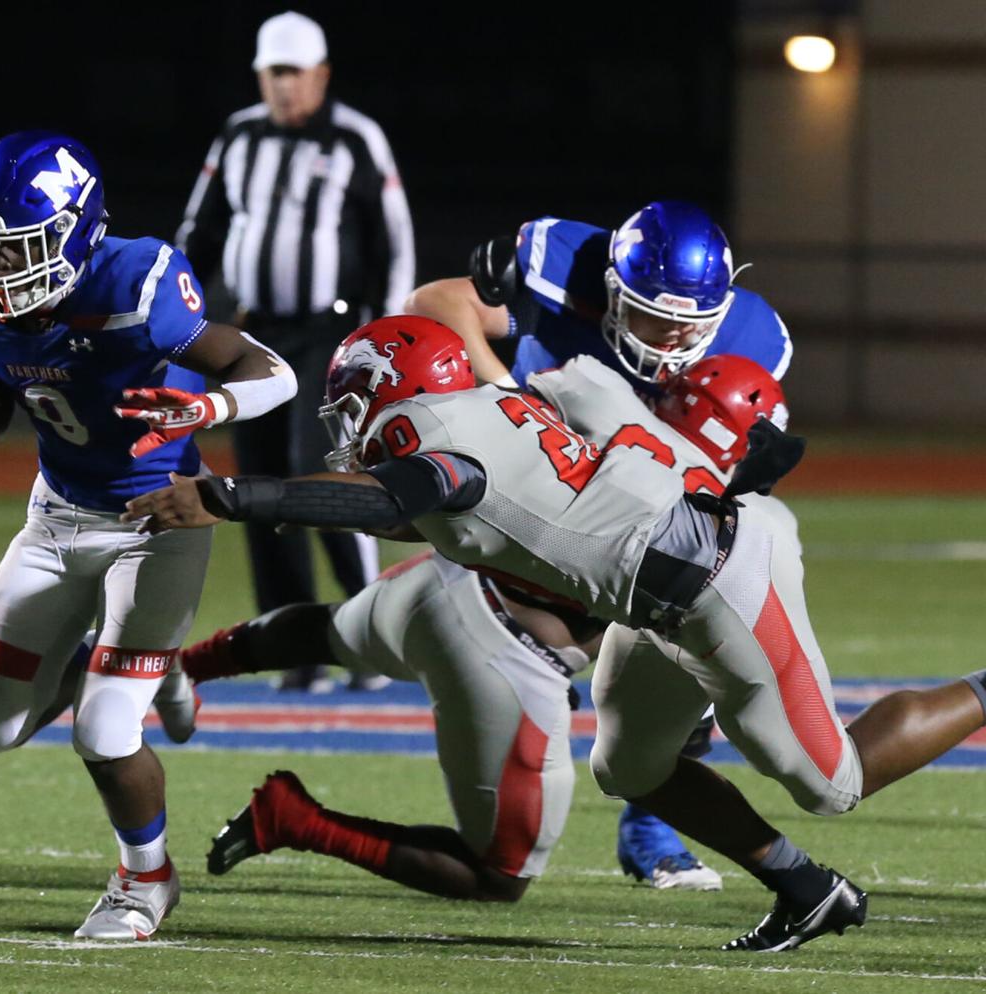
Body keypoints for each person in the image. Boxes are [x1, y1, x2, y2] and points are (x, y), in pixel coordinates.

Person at [122, 315, 986, 952]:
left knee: (830, 779)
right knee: (631, 766)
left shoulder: (440, 437)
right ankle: (806, 890)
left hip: (721, 582)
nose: (347, 421)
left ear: (399, 390)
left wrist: (233, 496)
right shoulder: (483, 409)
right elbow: (431, 514)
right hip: (665, 592)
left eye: (356, 400)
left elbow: (395, 500)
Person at [179, 353, 774, 901]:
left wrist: (301, 500)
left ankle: (184, 666)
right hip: (510, 656)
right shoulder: (693, 497)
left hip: (442, 585)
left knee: (328, 631)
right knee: (501, 873)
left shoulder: (599, 416)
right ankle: (294, 818)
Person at [0, 130, 297, 941]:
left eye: (21, 251)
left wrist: (207, 409)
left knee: (104, 729)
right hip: (55, 514)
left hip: (157, 521)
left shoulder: (136, 283)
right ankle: (150, 665)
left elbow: (273, 371)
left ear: (77, 233)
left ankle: (145, 881)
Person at [404, 200, 793, 889]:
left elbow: (712, 463)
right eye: (650, 316)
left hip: (637, 497)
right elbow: (434, 302)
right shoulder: (564, 265)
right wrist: (504, 394)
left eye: (688, 325)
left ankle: (649, 828)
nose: (669, 341)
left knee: (698, 646)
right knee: (514, 657)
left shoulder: (752, 335)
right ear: (613, 289)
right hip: (527, 492)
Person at [174, 10, 415, 692]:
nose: (282, 86)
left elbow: (392, 240)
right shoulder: (241, 133)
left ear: (321, 75)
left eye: (294, 73)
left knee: (319, 475)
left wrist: (383, 336)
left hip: (328, 332)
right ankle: (290, 644)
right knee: (257, 483)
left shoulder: (355, 138)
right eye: (271, 73)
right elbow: (204, 225)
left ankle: (372, 632)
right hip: (255, 332)